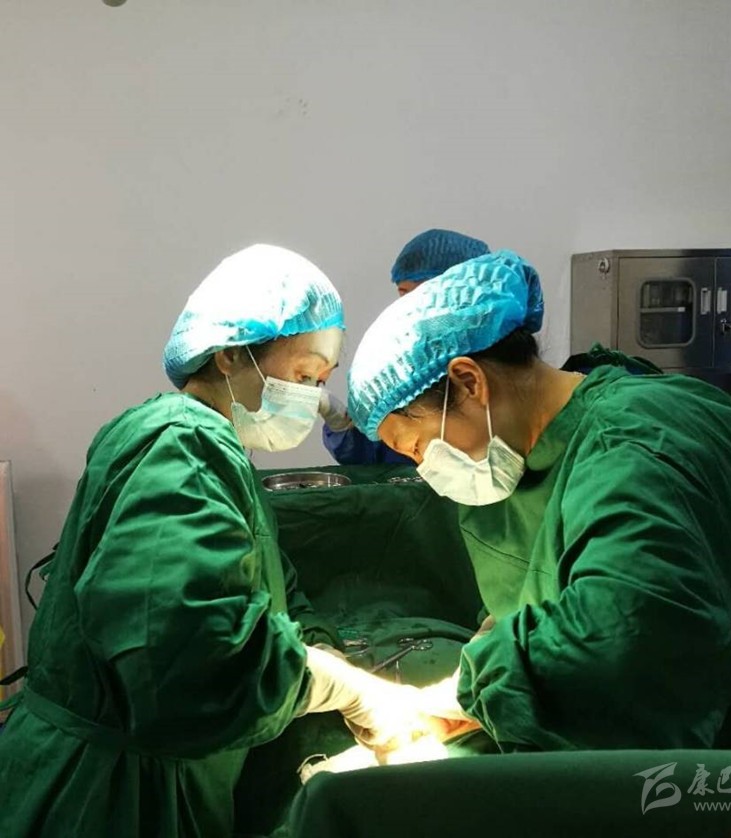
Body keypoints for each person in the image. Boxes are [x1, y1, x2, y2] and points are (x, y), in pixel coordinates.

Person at [0, 244, 430, 838]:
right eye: (303, 375)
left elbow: (275, 593)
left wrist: (327, 658)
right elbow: (187, 666)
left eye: (321, 382)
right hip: (106, 798)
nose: (313, 399)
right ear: (229, 354)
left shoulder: (211, 447)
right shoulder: (182, 448)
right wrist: (338, 687)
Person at [346, 248, 731, 752]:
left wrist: (471, 690)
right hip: (630, 751)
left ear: (470, 381)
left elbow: (627, 633)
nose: (425, 468)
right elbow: (544, 600)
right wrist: (485, 693)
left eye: (416, 447)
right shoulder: (522, 461)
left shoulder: (632, 446)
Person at [321, 228, 489, 466]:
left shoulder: (497, 363)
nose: (412, 307)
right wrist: (342, 425)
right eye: (405, 295)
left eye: (424, 293)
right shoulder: (406, 368)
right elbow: (375, 455)